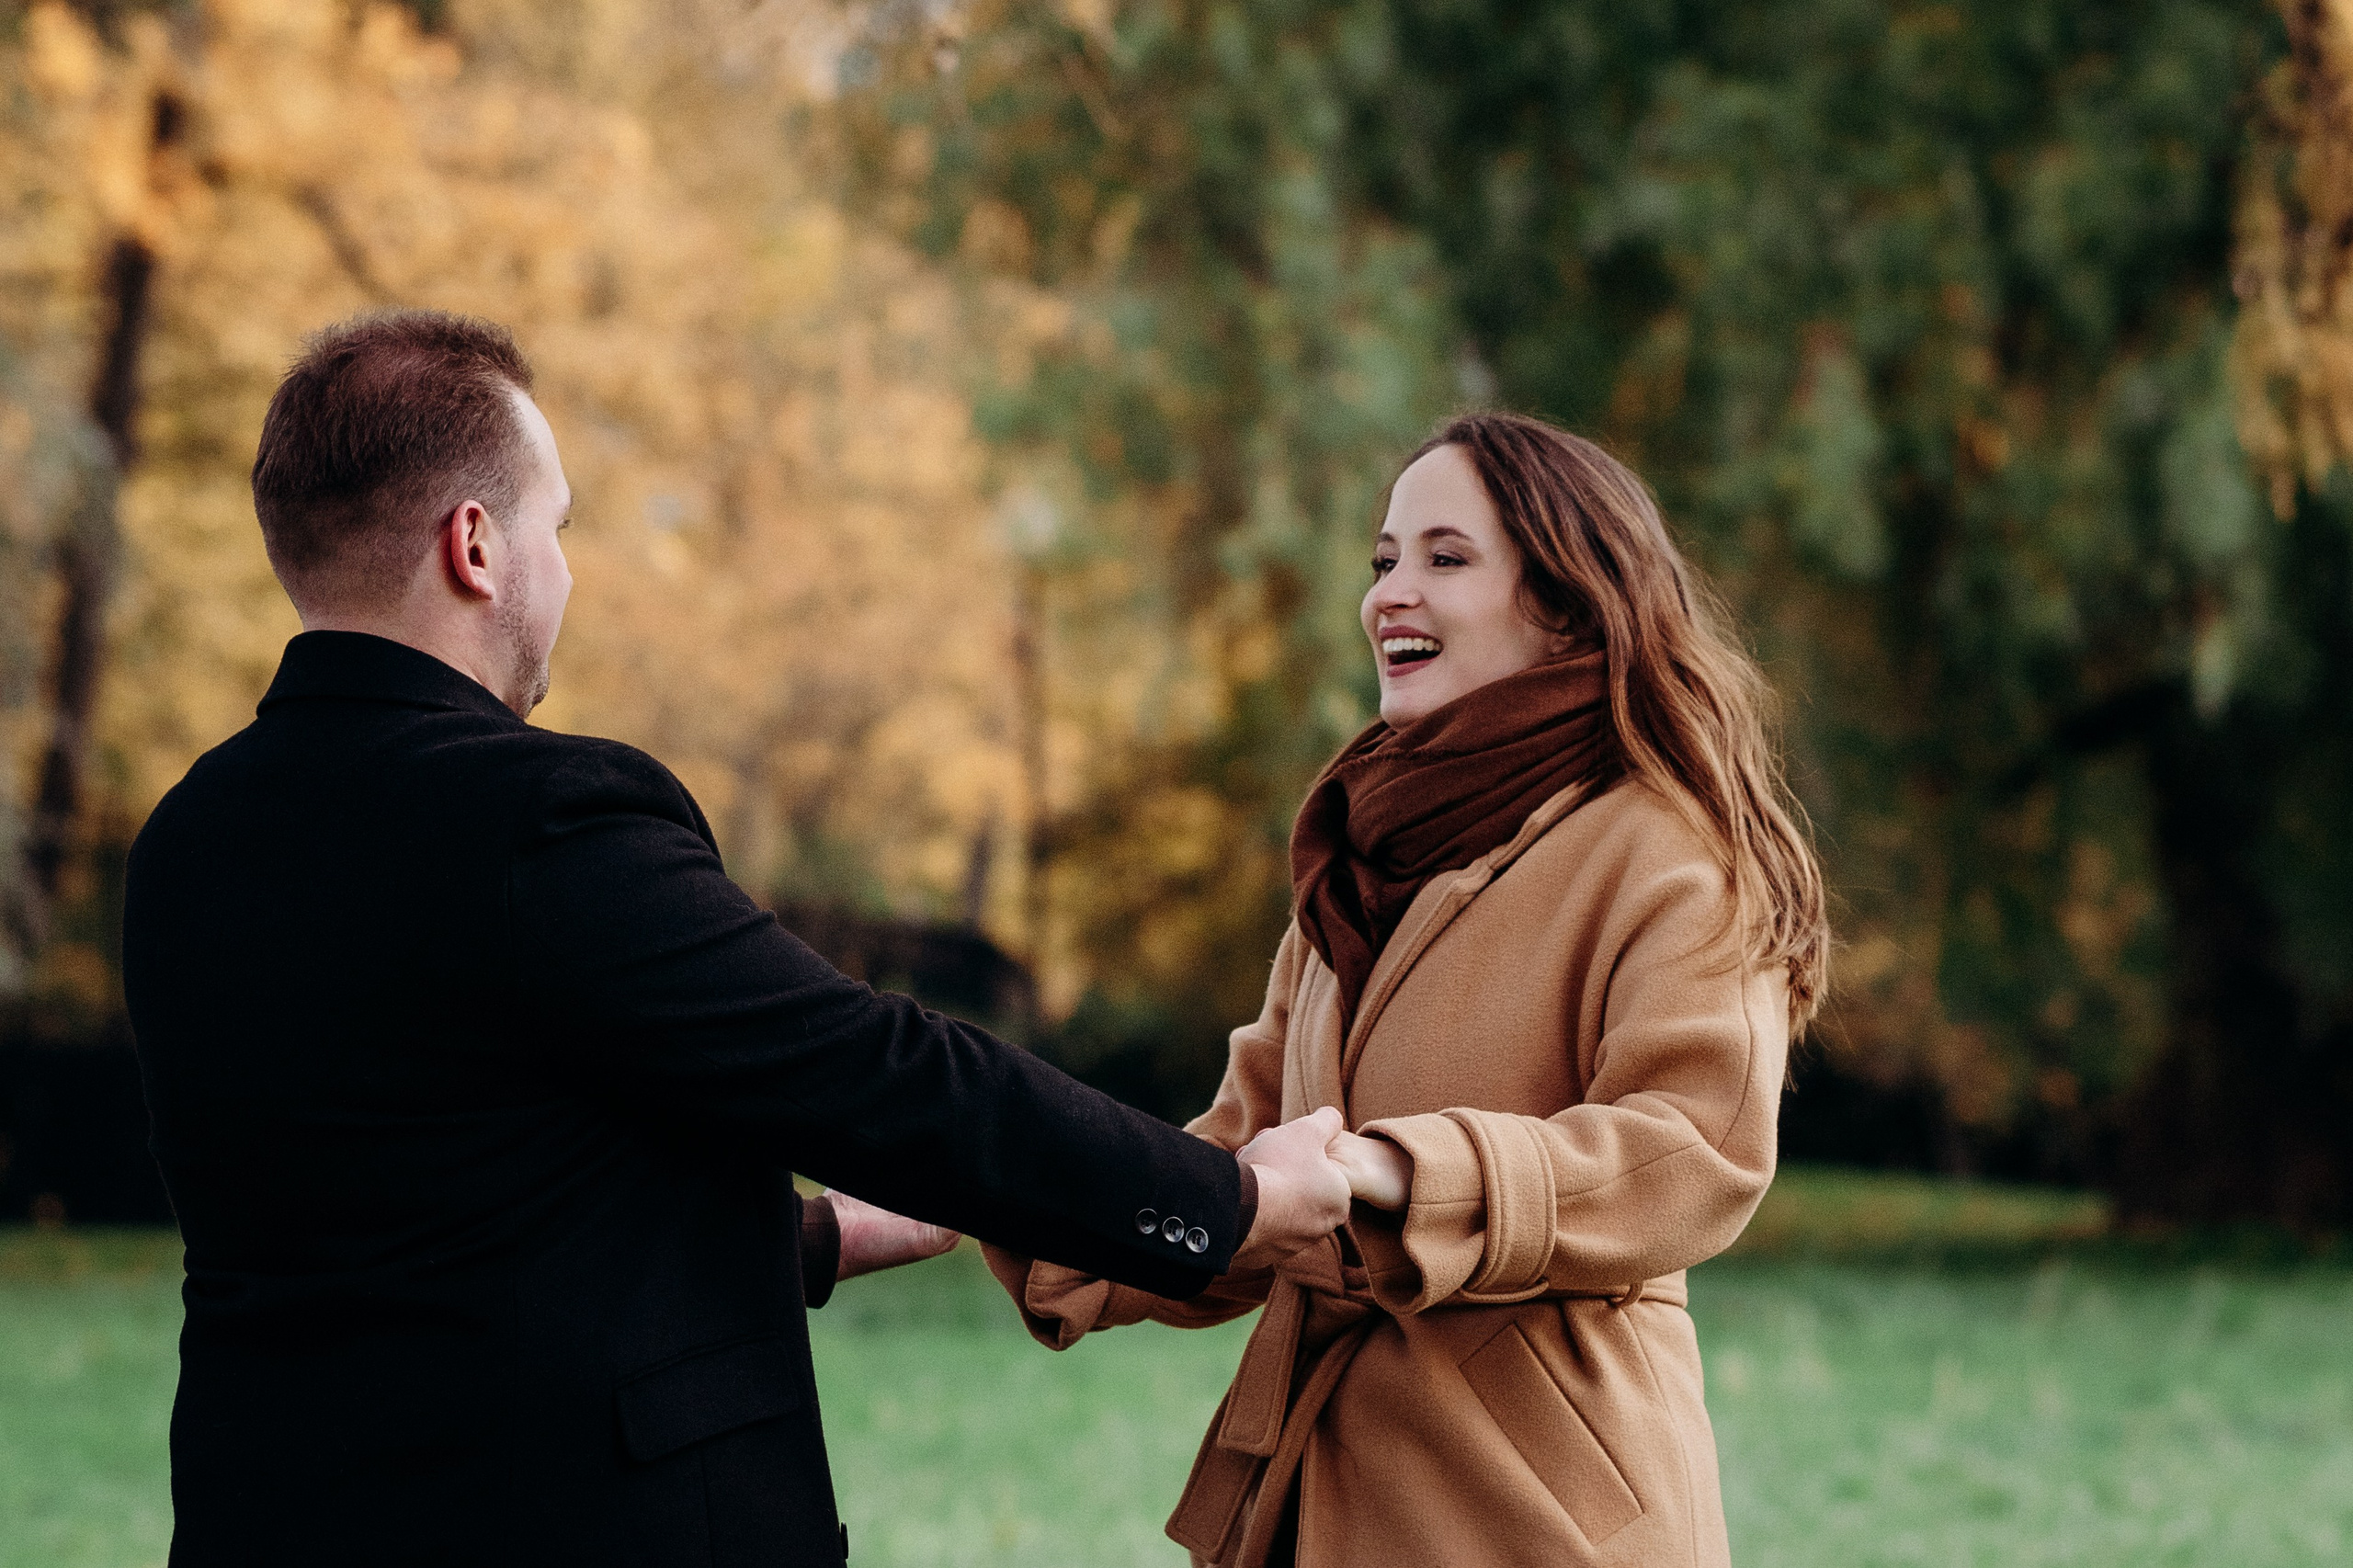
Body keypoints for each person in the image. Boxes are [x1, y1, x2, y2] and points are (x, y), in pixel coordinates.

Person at [119, 310, 1358, 1568]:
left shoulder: (185, 843)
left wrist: (811, 1238)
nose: (566, 567)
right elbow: (879, 1070)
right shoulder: (539, 817)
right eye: (560, 524)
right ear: (478, 546)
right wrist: (1230, 1199)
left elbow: (423, 1208)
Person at [985, 412, 1829, 1568]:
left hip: (1537, 1512)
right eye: (1383, 559)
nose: (1390, 593)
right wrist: (990, 1175)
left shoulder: (1671, 848)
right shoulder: (1353, 864)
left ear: (1567, 602)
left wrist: (1402, 1172)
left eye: (1444, 557)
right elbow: (1237, 1168)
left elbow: (1692, 1150)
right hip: (1312, 1498)